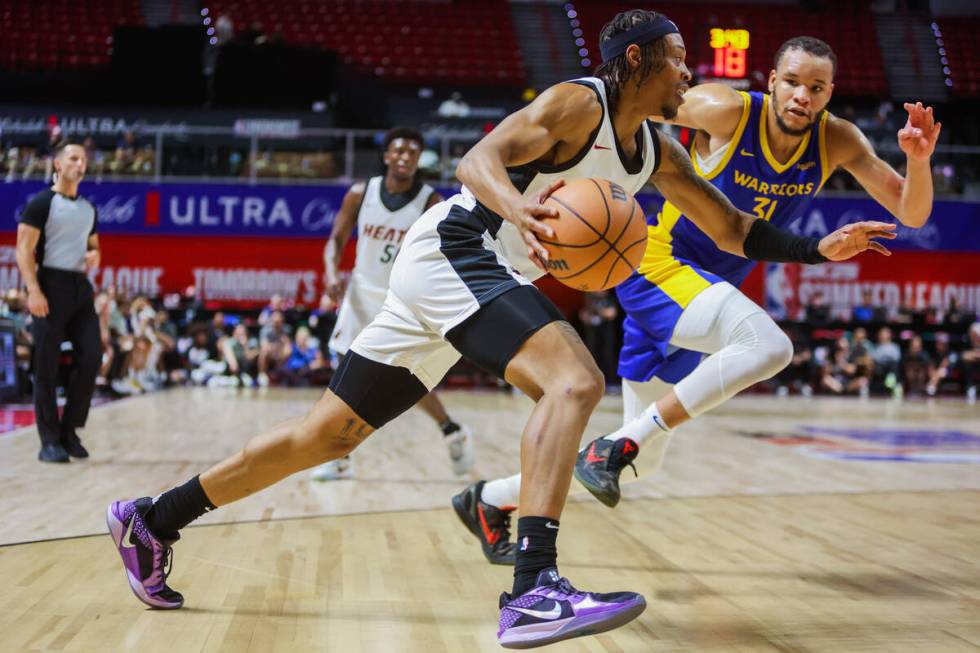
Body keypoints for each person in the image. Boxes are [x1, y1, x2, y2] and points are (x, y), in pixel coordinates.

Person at [106, 11, 891, 648]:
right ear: (638, 63)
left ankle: (153, 517)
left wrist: (811, 246)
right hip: (462, 246)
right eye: (679, 61)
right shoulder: (577, 103)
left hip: (460, 272)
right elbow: (481, 157)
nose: (691, 76)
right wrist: (516, 208)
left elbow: (730, 228)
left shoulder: (653, 149)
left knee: (327, 436)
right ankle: (534, 590)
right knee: (575, 378)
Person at [459, 33, 937, 560]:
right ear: (773, 82)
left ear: (830, 93)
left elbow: (910, 213)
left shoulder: (838, 140)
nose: (804, 96)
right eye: (794, 83)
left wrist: (917, 160)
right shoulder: (724, 109)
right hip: (657, 264)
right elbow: (638, 105)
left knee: (647, 460)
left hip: (707, 292)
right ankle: (613, 448)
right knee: (768, 348)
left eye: (818, 88)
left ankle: (490, 499)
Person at [310, 127, 475, 482]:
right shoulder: (361, 193)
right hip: (360, 293)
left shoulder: (431, 201)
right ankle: (339, 456)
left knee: (404, 377)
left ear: (418, 160)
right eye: (398, 151)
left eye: (412, 153)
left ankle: (450, 429)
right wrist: (330, 272)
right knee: (344, 374)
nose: (404, 157)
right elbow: (336, 239)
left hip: (402, 297)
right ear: (386, 156)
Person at [15, 140, 102, 462]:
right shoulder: (41, 203)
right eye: (74, 158)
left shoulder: (87, 209)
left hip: (80, 287)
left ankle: (70, 431)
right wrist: (34, 291)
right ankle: (48, 441)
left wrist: (94, 255)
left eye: (84, 160)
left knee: (92, 356)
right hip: (50, 284)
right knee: (46, 366)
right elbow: (23, 250)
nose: (80, 164)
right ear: (58, 164)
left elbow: (95, 246)